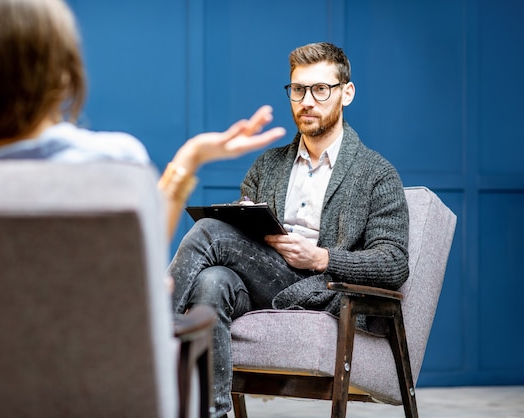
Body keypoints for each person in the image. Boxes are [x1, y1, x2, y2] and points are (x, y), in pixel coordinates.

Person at [169, 42, 410, 417]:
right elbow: (241, 245)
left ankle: (148, 333)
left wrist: (321, 257)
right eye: (298, 89)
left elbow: (393, 263)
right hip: (261, 284)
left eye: (320, 89)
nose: (307, 101)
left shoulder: (377, 175)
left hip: (320, 291)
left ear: (346, 93)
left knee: (210, 231)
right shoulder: (269, 164)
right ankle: (212, 413)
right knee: (212, 280)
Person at [0, 0, 286, 240]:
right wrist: (190, 158)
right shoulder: (114, 161)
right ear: (63, 70)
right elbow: (140, 267)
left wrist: (191, 154)